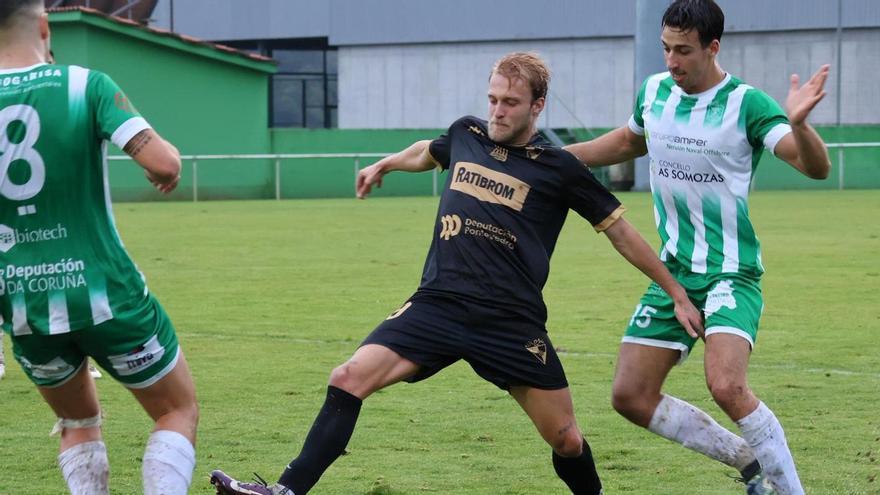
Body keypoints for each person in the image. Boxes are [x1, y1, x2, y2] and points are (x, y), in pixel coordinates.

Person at [210, 52, 703, 495]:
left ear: (538, 106)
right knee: (348, 377)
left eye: (510, 102)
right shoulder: (466, 135)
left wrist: (676, 293)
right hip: (438, 304)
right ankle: (286, 491)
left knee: (567, 439)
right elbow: (427, 151)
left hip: (510, 322)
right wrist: (386, 163)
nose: (497, 111)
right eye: (492, 99)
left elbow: (620, 232)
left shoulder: (560, 169)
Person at [564, 1, 830, 494]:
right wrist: (555, 159)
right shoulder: (654, 93)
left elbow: (815, 168)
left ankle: (790, 490)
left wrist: (800, 124)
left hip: (730, 271)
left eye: (683, 51)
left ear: (713, 47)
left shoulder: (746, 104)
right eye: (666, 48)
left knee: (726, 385)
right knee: (630, 395)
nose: (671, 61)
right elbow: (627, 141)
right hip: (674, 273)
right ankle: (749, 462)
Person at [0, 1, 199, 493]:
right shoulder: (84, 84)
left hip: (22, 301)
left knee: (78, 424)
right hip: (103, 290)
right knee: (176, 409)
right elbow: (164, 164)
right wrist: (162, 164)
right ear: (45, 26)